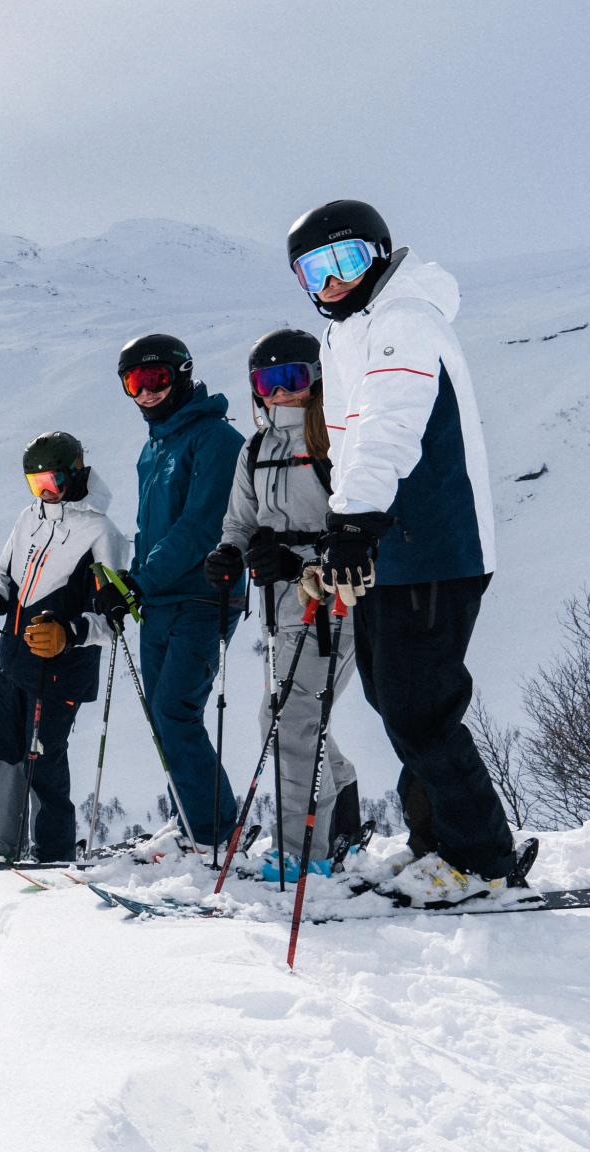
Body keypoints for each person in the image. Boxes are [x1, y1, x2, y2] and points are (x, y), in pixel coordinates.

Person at [284, 198, 527, 902]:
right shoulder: (347, 333)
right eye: (315, 271)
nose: (333, 280)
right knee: (398, 702)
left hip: (435, 547)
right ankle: (439, 845)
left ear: (379, 254)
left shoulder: (403, 321)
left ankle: (481, 859)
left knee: (421, 708)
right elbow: (348, 444)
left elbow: (388, 427)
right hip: (393, 549)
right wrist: (341, 540)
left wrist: (356, 524)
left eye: (346, 260)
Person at [203, 329, 362, 879]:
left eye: (290, 378)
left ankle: (302, 853)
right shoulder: (256, 448)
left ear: (317, 379)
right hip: (282, 606)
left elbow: (355, 527)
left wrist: (298, 560)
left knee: (289, 718)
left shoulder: (335, 439)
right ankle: (343, 823)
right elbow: (240, 521)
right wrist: (228, 553)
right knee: (293, 715)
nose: (278, 393)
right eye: (266, 382)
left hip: (334, 600)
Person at [94, 334, 245, 849]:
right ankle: (189, 824)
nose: (146, 392)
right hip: (159, 600)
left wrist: (141, 581)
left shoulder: (216, 440)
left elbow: (202, 526)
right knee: (164, 718)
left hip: (204, 594)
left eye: (155, 378)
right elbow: (151, 530)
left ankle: (215, 835)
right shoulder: (154, 447)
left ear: (182, 374)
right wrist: (129, 587)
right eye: (133, 383)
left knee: (176, 711)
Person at [0, 432, 129, 861]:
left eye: (52, 481)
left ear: (75, 472)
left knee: (42, 760)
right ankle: (1, 848)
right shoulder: (28, 519)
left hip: (60, 673)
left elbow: (113, 621)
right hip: (12, 662)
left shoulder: (101, 533)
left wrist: (70, 633)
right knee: (1, 750)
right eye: (34, 483)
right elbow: (5, 578)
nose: (45, 492)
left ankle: (53, 854)